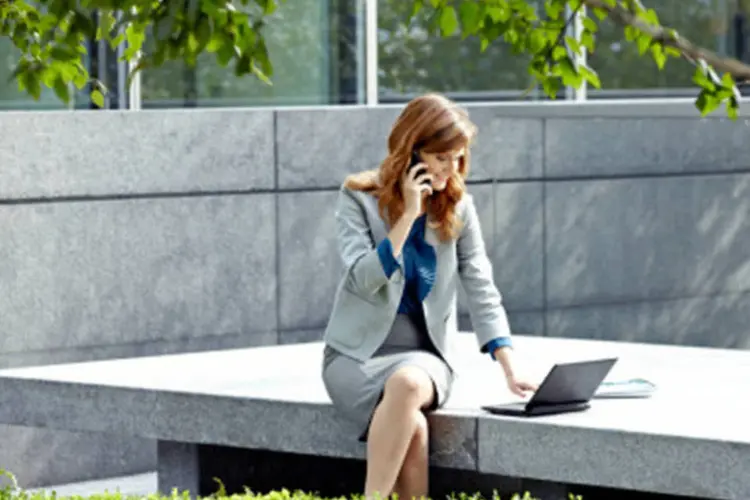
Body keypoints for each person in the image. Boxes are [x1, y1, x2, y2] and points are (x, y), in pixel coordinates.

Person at [321, 93, 537, 500]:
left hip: (426, 359)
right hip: (353, 358)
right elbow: (363, 279)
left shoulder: (459, 209)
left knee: (404, 386)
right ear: (413, 149)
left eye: (458, 158)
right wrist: (407, 217)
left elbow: (480, 283)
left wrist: (509, 364)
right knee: (414, 430)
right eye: (442, 158)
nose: (451, 169)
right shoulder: (358, 198)